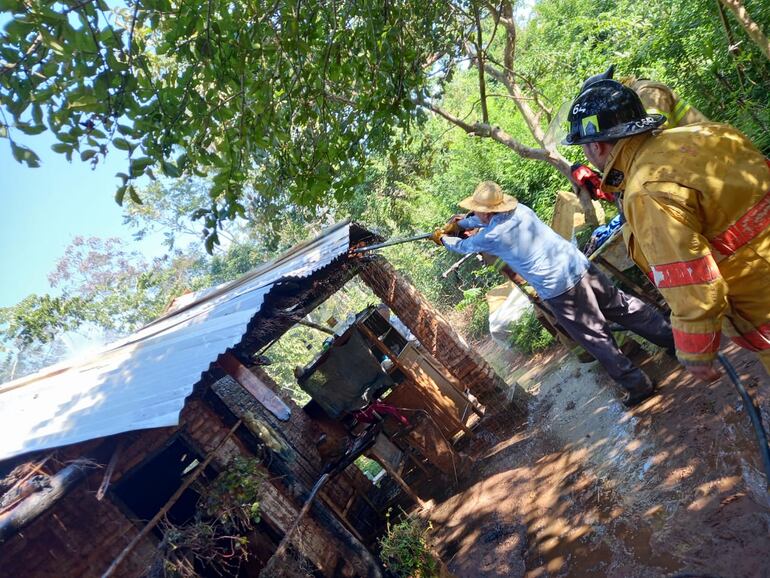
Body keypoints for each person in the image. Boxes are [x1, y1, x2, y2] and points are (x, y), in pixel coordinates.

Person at [563, 79, 770, 380]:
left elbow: (692, 280)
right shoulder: (709, 133)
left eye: (584, 148)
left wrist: (695, 351)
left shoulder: (645, 190)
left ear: (596, 146)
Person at [432, 181, 676, 407]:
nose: (475, 214)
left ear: (486, 212)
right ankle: (673, 340)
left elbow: (463, 245)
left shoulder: (493, 236)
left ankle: (638, 385)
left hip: (560, 289)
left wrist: (444, 238)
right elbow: (481, 221)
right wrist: (461, 223)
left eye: (476, 210)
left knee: (594, 337)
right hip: (580, 267)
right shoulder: (521, 210)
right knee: (623, 307)